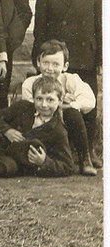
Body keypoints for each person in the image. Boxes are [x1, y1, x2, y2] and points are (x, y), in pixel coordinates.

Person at [32, 0, 101, 158]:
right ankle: (61, 150)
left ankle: (88, 152)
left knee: (87, 105)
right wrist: (38, 60)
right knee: (53, 104)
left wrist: (99, 60)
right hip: (55, 60)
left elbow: (101, 29)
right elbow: (39, 30)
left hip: (85, 59)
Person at [21, 40, 97, 175]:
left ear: (65, 66)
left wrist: (71, 105)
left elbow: (90, 101)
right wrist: (60, 104)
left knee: (73, 113)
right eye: (46, 63)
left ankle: (85, 159)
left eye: (56, 64)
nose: (50, 68)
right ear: (38, 62)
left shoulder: (71, 80)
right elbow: (33, 107)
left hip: (63, 124)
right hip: (41, 126)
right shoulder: (30, 83)